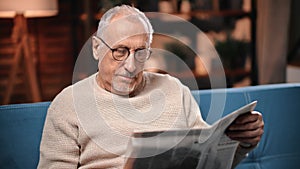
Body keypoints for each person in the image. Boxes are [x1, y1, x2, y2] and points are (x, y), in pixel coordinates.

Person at [37, 5, 264, 169]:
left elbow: (207, 158)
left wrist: (243, 141)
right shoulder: (68, 104)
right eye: (120, 51)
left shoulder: (174, 89)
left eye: (140, 52)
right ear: (97, 48)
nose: (130, 65)